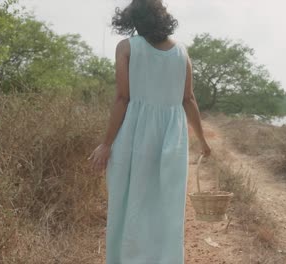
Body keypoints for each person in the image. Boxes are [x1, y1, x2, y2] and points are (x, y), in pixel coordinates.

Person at [87, 0, 211, 263]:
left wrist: (106, 143)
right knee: (167, 210)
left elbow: (122, 98)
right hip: (172, 140)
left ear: (134, 18)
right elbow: (188, 100)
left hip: (133, 136)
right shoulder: (182, 53)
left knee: (129, 204)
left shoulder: (127, 47)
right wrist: (202, 141)